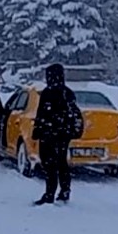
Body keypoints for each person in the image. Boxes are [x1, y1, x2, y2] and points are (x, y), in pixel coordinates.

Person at [32, 63, 84, 205]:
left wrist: (37, 130)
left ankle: (50, 194)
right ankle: (65, 191)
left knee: (50, 165)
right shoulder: (68, 93)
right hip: (63, 135)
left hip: (49, 134)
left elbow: (41, 113)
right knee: (62, 163)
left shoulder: (48, 93)